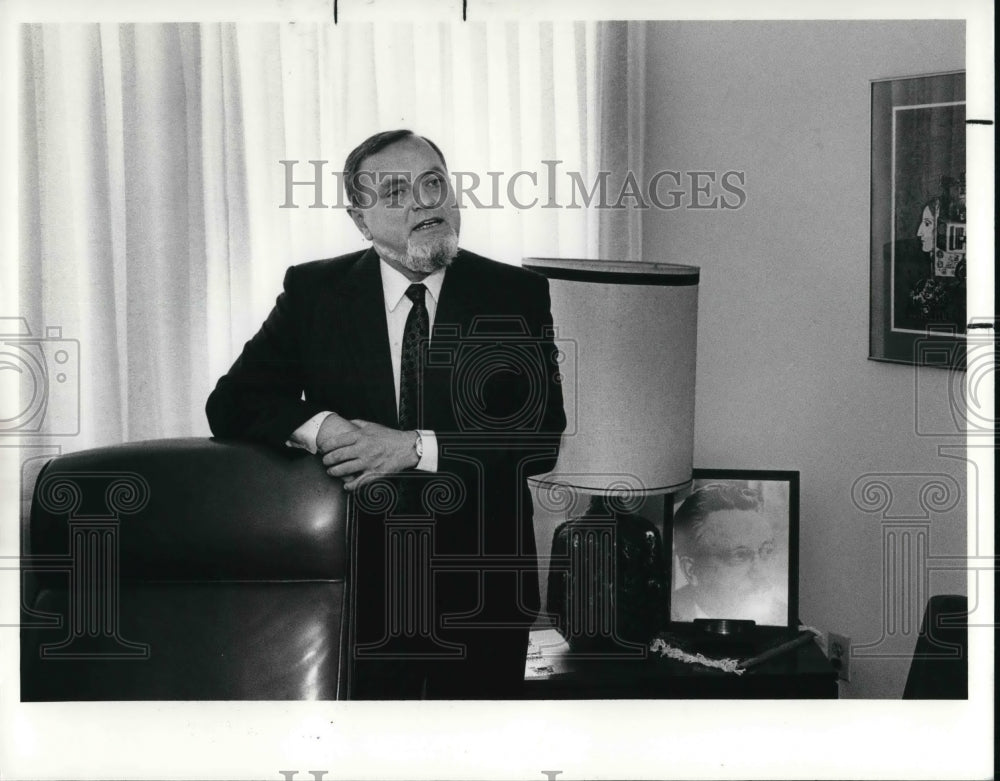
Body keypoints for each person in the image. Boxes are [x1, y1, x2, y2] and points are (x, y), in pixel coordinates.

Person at [206, 129, 566, 699]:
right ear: (360, 218)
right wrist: (324, 428)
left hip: (483, 590)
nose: (424, 203)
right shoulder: (315, 292)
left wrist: (412, 447)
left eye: (433, 184)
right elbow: (232, 402)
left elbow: (540, 436)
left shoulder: (513, 294)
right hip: (355, 584)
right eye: (396, 192)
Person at [670, 482, 787, 625]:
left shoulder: (781, 618)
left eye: (767, 552)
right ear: (691, 570)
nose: (762, 574)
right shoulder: (666, 616)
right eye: (740, 556)